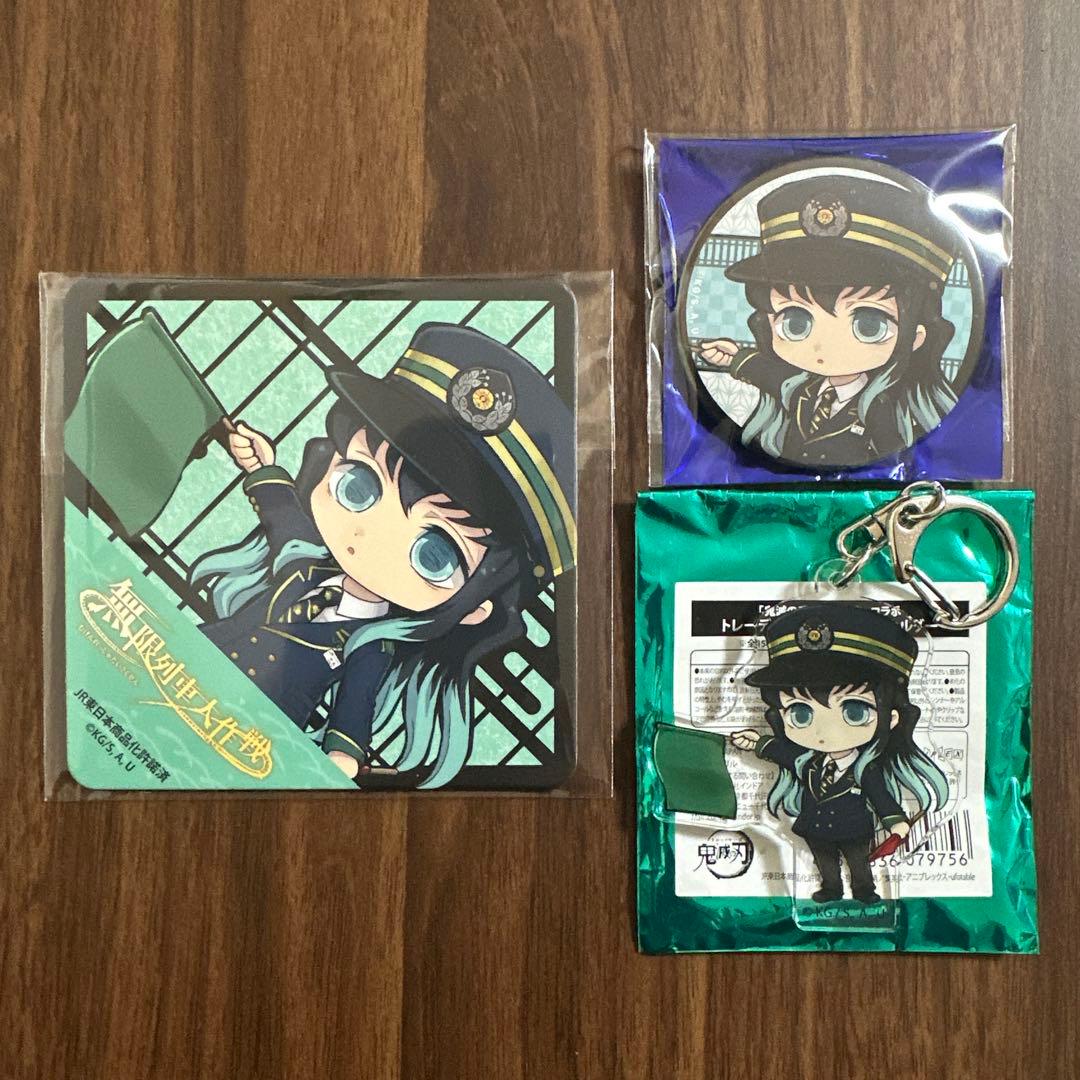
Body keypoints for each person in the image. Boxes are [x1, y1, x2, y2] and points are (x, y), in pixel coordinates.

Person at [188, 323, 575, 788]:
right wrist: (262, 467)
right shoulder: (305, 568)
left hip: (243, 740)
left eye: (433, 555)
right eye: (359, 485)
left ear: (476, 608)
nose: (371, 537)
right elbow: (286, 520)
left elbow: (352, 715)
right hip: (181, 670)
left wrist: (338, 763)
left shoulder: (370, 646)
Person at [698, 172, 961, 468]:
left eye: (868, 325)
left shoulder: (884, 411)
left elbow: (901, 460)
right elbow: (772, 376)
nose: (824, 346)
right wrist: (735, 358)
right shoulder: (803, 391)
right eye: (795, 322)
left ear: (915, 337)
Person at [729, 603, 949, 903]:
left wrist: (894, 821)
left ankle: (864, 889)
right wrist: (757, 742)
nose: (826, 732)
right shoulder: (808, 762)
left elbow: (880, 795)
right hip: (815, 827)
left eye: (854, 711)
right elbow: (783, 754)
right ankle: (831, 888)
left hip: (854, 829)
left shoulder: (865, 769)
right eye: (801, 713)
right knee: (825, 862)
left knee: (858, 862)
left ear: (891, 717)